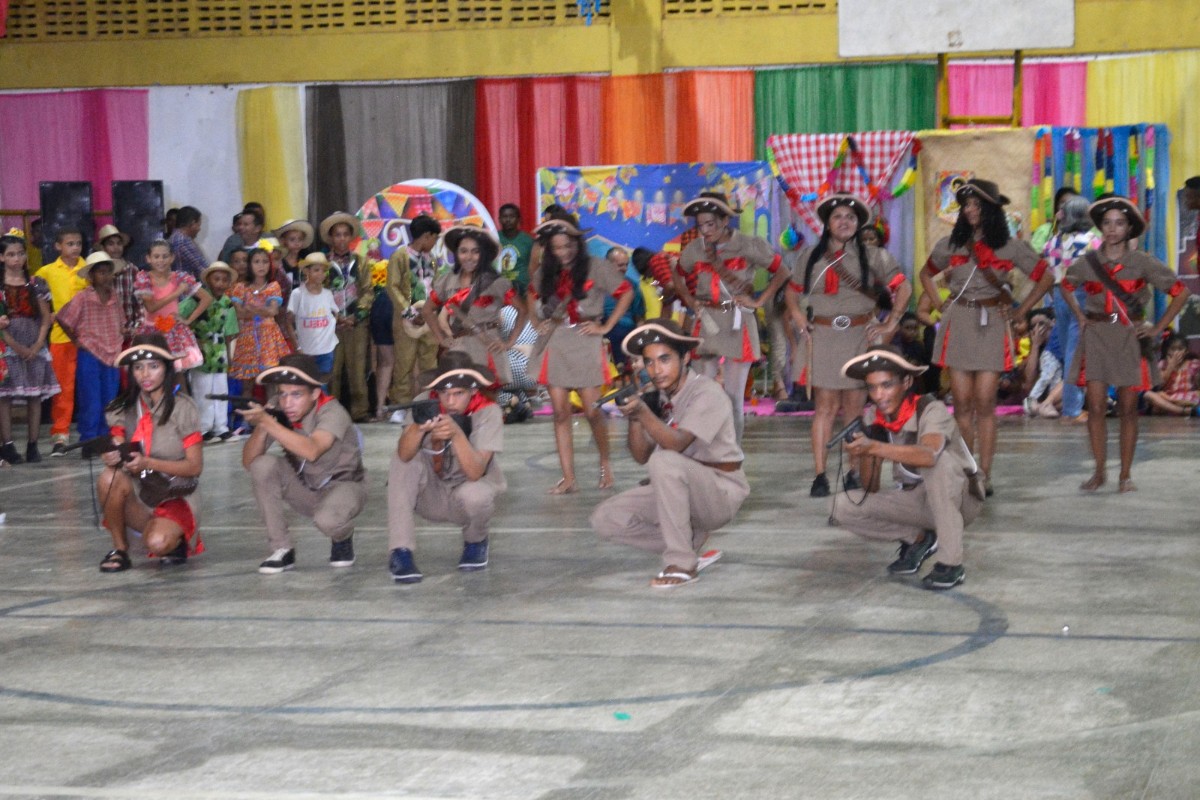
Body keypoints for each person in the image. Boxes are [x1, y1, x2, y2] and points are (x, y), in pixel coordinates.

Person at [590, 319, 749, 588]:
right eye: (649, 362)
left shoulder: (706, 392)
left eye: (664, 359)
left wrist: (643, 412)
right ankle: (689, 543)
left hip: (720, 492)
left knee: (664, 461)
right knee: (606, 518)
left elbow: (676, 444)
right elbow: (641, 455)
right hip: (682, 485)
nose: (656, 369)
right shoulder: (660, 397)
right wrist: (634, 416)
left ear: (685, 357)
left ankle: (682, 564)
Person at [920, 178, 1054, 495]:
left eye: (977, 205)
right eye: (966, 205)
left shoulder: (1010, 246)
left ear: (992, 210)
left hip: (992, 322)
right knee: (962, 405)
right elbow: (926, 273)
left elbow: (1046, 276)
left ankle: (985, 474)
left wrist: (1022, 313)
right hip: (959, 322)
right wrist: (939, 304)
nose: (970, 210)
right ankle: (967, 472)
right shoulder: (950, 245)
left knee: (985, 403)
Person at [1059, 196, 1191, 492]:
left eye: (1119, 223)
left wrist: (1157, 328)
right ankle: (1099, 471)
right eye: (1107, 223)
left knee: (1129, 409)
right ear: (1100, 227)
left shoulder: (1142, 262)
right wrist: (1080, 316)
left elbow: (1180, 292)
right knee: (1095, 407)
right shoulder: (1087, 263)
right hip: (1096, 338)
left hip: (1130, 339)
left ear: (1130, 228)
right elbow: (1066, 286)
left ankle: (1125, 475)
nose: (1112, 229)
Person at [785, 194, 911, 496]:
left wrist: (891, 322)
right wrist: (798, 315)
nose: (845, 222)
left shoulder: (874, 256)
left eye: (851, 218)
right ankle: (820, 475)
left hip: (859, 337)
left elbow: (903, 287)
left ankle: (853, 472)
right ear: (828, 223)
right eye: (838, 217)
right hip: (825, 337)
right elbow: (791, 292)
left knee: (854, 410)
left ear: (858, 224)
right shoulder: (810, 256)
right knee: (825, 408)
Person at [829, 346, 984, 590]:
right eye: (872, 388)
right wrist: (864, 453)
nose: (879, 395)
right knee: (841, 506)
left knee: (939, 463)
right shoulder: (874, 417)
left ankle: (951, 564)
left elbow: (929, 454)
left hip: (961, 501)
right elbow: (871, 487)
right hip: (917, 500)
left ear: (907, 382)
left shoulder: (931, 409)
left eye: (887, 385)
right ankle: (920, 539)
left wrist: (875, 448)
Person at [673, 193, 791, 442]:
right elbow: (678, 274)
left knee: (734, 398)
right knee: (702, 395)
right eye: (700, 225)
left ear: (725, 220)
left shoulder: (748, 244)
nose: (705, 231)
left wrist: (758, 301)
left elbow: (782, 271)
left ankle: (732, 456)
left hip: (738, 323)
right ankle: (703, 451)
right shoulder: (695, 248)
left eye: (711, 224)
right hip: (707, 322)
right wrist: (689, 299)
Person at [529, 215, 635, 493]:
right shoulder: (547, 272)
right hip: (555, 340)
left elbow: (626, 292)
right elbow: (530, 294)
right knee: (560, 413)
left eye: (567, 246)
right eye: (556, 248)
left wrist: (606, 326)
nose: (563, 252)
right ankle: (568, 477)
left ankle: (605, 463)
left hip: (586, 339)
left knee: (592, 410)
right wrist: (536, 321)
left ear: (577, 242)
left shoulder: (596, 267)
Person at [386, 352, 506, 583]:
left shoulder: (488, 411)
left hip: (466, 492)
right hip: (430, 493)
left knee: (478, 495)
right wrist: (419, 429)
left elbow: (475, 471)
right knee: (402, 463)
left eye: (458, 394)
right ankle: (401, 551)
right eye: (444, 394)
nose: (450, 402)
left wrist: (456, 434)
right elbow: (404, 454)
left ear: (473, 391)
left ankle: (475, 540)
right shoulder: (424, 402)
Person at [241, 353, 367, 574]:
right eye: (282, 395)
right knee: (262, 465)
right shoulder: (277, 408)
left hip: (345, 485)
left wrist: (268, 422)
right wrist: (263, 427)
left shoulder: (331, 411)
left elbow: (312, 450)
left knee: (327, 521)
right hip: (306, 486)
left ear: (315, 393)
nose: (287, 403)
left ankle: (343, 536)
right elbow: (249, 462)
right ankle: (282, 549)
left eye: (297, 395)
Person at [97, 334, 205, 573]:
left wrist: (148, 462)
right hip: (141, 492)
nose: (145, 375)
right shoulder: (122, 408)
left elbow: (194, 467)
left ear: (167, 369)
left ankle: (172, 538)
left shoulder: (183, 408)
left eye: (153, 366)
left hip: (175, 493)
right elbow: (117, 443)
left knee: (157, 543)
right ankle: (120, 549)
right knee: (109, 476)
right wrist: (113, 456)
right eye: (138, 368)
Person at [423, 225, 527, 385]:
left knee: (489, 399)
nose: (469, 257)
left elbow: (522, 309)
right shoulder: (447, 280)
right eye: (463, 251)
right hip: (459, 348)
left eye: (475, 251)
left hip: (489, 347)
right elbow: (427, 310)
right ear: (457, 253)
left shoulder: (496, 282)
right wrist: (441, 338)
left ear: (483, 253)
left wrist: (509, 342)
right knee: (458, 397)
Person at [54, 252, 126, 453]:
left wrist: (126, 332)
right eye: (100, 273)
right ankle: (89, 440)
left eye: (108, 272)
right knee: (90, 399)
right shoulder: (83, 298)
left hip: (112, 353)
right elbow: (63, 317)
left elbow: (120, 322)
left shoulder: (115, 297)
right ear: (91, 277)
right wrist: (76, 340)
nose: (105, 277)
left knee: (110, 400)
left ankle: (104, 438)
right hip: (91, 353)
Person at [0, 229, 58, 464]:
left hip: (34, 343)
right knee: (5, 397)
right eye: (11, 254)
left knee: (35, 396)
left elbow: (45, 317)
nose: (17, 259)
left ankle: (33, 445)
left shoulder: (36, 283)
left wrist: (37, 344)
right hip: (7, 346)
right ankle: (8, 445)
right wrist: (14, 344)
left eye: (21, 254)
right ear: (2, 257)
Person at [1041, 194, 1100, 423]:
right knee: (1077, 354)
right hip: (1081, 294)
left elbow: (1047, 270)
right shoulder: (1090, 241)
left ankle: (1071, 406)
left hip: (1058, 295)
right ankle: (1073, 410)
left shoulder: (1054, 241)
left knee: (1069, 352)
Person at [34, 226, 86, 456]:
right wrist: (46, 314)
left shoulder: (89, 269)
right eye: (70, 243)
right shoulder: (46, 272)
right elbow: (34, 299)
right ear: (58, 246)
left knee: (88, 388)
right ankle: (60, 434)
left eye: (78, 243)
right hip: (60, 337)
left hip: (88, 338)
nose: (75, 248)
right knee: (63, 388)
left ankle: (91, 433)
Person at [386, 214, 441, 410]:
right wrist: (410, 313)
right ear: (426, 236)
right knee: (405, 363)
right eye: (434, 238)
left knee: (429, 361)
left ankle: (428, 402)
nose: (435, 243)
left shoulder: (433, 259)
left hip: (428, 319)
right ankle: (400, 406)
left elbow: (435, 286)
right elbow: (392, 287)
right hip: (405, 320)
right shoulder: (400, 256)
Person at [321, 212, 372, 422]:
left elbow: (368, 291)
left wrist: (356, 315)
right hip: (330, 325)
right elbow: (319, 293)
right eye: (337, 235)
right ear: (331, 238)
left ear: (351, 237)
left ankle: (359, 411)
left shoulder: (360, 262)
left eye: (345, 235)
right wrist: (335, 317)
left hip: (356, 323)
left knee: (357, 368)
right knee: (333, 370)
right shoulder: (322, 264)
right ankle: (330, 413)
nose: (341, 239)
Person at [134, 240, 212, 370]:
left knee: (176, 371)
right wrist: (177, 293)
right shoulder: (144, 278)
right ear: (148, 259)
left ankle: (179, 391)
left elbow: (206, 298)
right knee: (154, 369)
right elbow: (151, 307)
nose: (161, 260)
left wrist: (188, 320)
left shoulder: (180, 277)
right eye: (156, 256)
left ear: (172, 258)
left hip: (173, 331)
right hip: (151, 331)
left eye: (165, 256)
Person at [184, 262, 240, 441]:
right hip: (202, 351)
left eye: (225, 280)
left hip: (220, 350)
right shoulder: (196, 300)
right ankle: (204, 428)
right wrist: (191, 340)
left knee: (221, 388)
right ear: (208, 280)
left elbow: (230, 333)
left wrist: (230, 358)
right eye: (216, 279)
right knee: (202, 388)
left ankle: (221, 426)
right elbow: (179, 317)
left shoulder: (227, 303)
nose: (221, 284)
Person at [228, 246, 291, 385]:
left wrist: (250, 309)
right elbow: (239, 313)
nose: (261, 266)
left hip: (268, 339)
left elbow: (273, 311)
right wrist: (262, 310)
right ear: (250, 265)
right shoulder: (240, 288)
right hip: (247, 338)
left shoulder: (273, 286)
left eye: (265, 261)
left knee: (271, 383)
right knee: (247, 385)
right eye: (256, 262)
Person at [286, 252, 339, 379]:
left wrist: (329, 331)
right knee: (307, 382)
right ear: (306, 271)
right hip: (306, 350)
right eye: (316, 270)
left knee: (323, 382)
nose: (320, 274)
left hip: (326, 349)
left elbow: (335, 312)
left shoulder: (327, 294)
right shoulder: (298, 294)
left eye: (323, 270)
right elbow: (288, 321)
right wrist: (297, 347)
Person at [96, 224, 142, 344]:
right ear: (103, 248)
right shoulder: (96, 273)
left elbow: (140, 304)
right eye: (111, 244)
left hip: (130, 332)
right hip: (105, 333)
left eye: (119, 243)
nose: (116, 247)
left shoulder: (132, 270)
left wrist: (137, 327)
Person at [1142, 333, 1199, 415]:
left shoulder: (1193, 364)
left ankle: (1172, 408)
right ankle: (1184, 410)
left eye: (1180, 349)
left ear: (1186, 351)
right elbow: (1160, 384)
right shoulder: (1163, 364)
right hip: (1168, 396)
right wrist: (1171, 366)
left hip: (1187, 395)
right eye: (1173, 349)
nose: (1176, 352)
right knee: (1148, 395)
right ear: (1167, 351)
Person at [496, 203, 535, 299]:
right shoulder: (493, 238)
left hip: (522, 290)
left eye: (512, 216)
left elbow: (534, 267)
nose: (508, 220)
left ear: (518, 219)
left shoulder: (528, 241)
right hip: (499, 289)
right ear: (499, 219)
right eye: (505, 217)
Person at [274, 218, 315, 297]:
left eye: (300, 239)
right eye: (292, 239)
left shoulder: (306, 263)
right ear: (284, 241)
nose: (296, 243)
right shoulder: (280, 265)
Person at [168, 206, 208, 280]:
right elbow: (203, 269)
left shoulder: (174, 237)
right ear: (192, 223)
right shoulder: (183, 240)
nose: (199, 229)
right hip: (187, 288)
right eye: (198, 225)